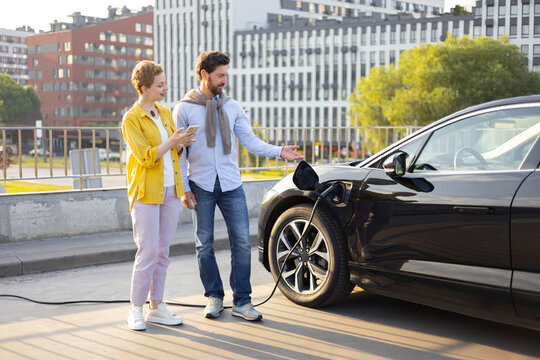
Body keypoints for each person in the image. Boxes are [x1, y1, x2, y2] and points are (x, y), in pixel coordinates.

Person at [173, 51, 304, 321]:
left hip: (231, 183)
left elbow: (250, 141)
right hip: (201, 184)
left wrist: (280, 151)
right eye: (220, 75)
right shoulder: (184, 108)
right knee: (204, 244)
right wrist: (184, 188)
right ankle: (214, 296)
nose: (224, 80)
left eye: (226, 75)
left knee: (242, 243)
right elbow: (179, 154)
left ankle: (243, 301)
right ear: (203, 75)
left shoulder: (232, 106)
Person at [122, 60, 196, 331]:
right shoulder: (131, 118)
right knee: (148, 250)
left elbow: (172, 155)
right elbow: (145, 156)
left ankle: (157, 306)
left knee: (163, 251)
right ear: (144, 88)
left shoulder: (165, 112)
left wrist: (181, 144)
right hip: (145, 192)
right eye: (160, 84)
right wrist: (172, 142)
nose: (165, 88)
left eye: (164, 83)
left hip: (170, 190)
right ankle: (135, 309)